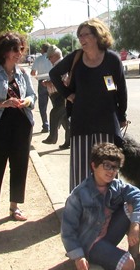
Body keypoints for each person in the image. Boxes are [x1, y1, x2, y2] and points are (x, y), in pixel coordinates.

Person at [49, 19, 128, 193]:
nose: (82, 38)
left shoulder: (112, 59)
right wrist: (67, 94)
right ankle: (80, 204)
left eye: (86, 34)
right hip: (81, 121)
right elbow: (54, 73)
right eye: (79, 35)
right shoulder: (76, 57)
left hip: (106, 121)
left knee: (107, 166)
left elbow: (121, 89)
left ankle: (108, 203)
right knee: (81, 167)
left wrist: (121, 115)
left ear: (98, 35)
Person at [61, 142, 140, 270]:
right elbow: (68, 230)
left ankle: (134, 254)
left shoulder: (116, 185)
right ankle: (109, 262)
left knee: (132, 206)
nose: (111, 171)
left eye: (115, 167)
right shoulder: (79, 195)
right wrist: (78, 256)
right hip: (91, 243)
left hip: (108, 235)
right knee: (129, 267)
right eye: (107, 165)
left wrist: (135, 224)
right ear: (94, 166)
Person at [0, 31, 36, 231]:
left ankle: (14, 207)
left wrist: (26, 101)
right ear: (3, 51)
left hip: (22, 123)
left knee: (19, 165)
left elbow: (32, 96)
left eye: (20, 49)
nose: (18, 53)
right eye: (13, 49)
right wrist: (2, 103)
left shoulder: (22, 73)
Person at [42, 46, 70, 148]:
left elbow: (64, 81)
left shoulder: (62, 65)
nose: (49, 60)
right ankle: (68, 141)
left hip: (61, 96)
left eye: (50, 57)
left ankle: (52, 138)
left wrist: (49, 83)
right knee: (65, 120)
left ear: (55, 55)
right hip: (58, 96)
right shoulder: (58, 65)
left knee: (54, 114)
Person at [30, 43, 52, 133]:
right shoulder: (52, 57)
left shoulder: (38, 59)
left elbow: (32, 72)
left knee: (43, 106)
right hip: (52, 82)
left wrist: (37, 77)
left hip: (42, 83)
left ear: (42, 50)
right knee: (56, 105)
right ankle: (57, 124)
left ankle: (45, 125)